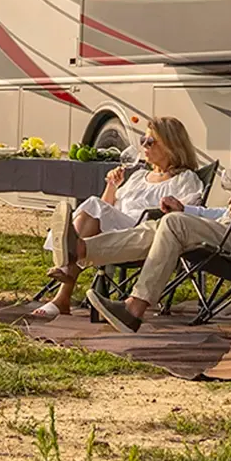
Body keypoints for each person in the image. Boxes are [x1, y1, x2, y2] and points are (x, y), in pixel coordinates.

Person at [81, 108, 231, 334]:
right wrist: (186, 208)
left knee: (173, 224)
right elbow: (226, 213)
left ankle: (133, 309)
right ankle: (80, 250)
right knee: (163, 224)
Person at [34, 116, 205, 318]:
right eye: (143, 141)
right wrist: (112, 186)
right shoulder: (138, 176)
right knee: (95, 206)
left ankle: (67, 265)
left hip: (144, 231)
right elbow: (108, 207)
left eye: (150, 142)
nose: (144, 146)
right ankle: (67, 268)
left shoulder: (185, 179)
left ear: (171, 145)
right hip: (117, 224)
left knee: (92, 205)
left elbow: (184, 216)